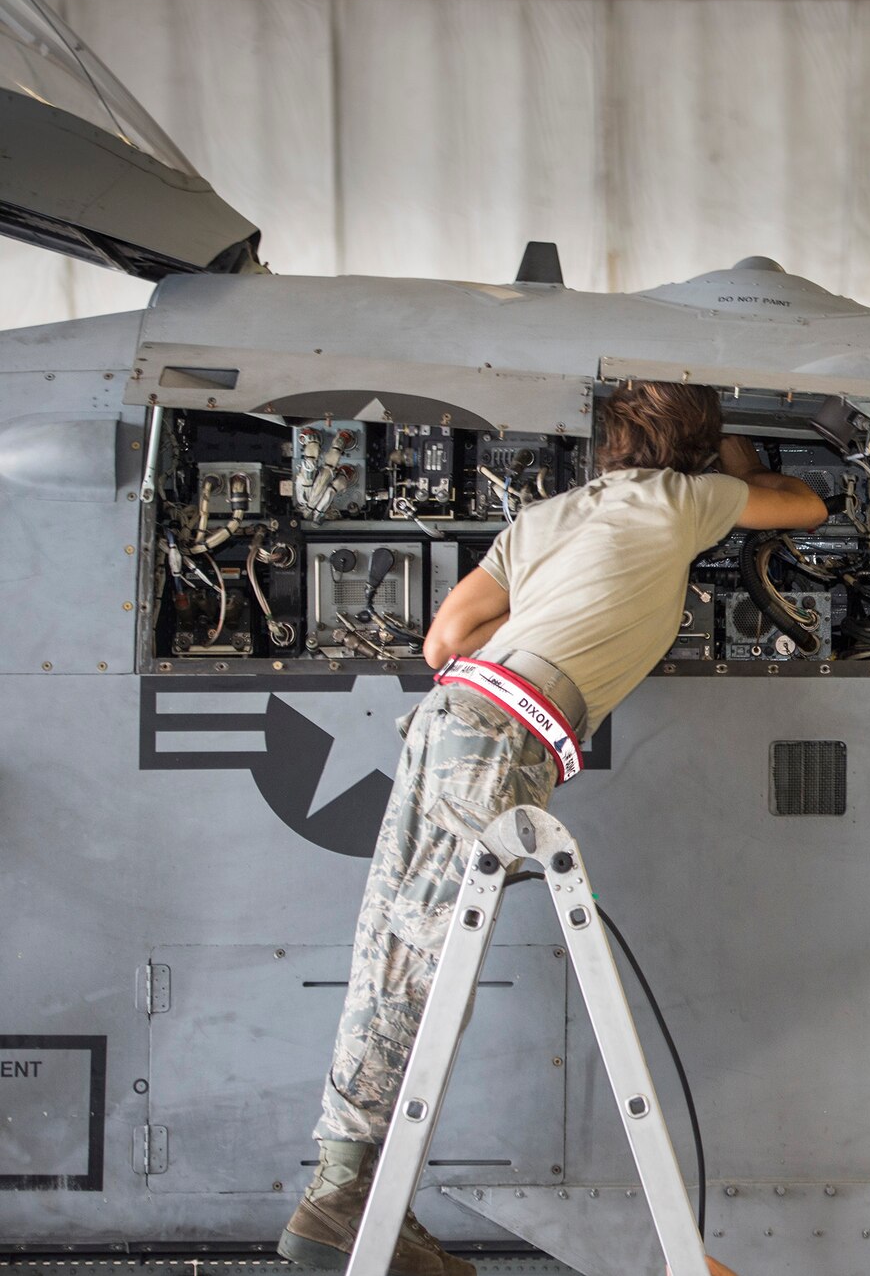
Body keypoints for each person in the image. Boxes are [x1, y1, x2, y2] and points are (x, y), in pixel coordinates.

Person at [279, 381, 828, 1275]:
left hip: (448, 717)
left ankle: (346, 1182)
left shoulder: (547, 517)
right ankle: (343, 1203)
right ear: (687, 447)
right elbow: (802, 506)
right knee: (428, 964)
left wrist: (535, 609)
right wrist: (734, 456)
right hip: (506, 735)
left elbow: (443, 638)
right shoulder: (686, 497)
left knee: (392, 945)